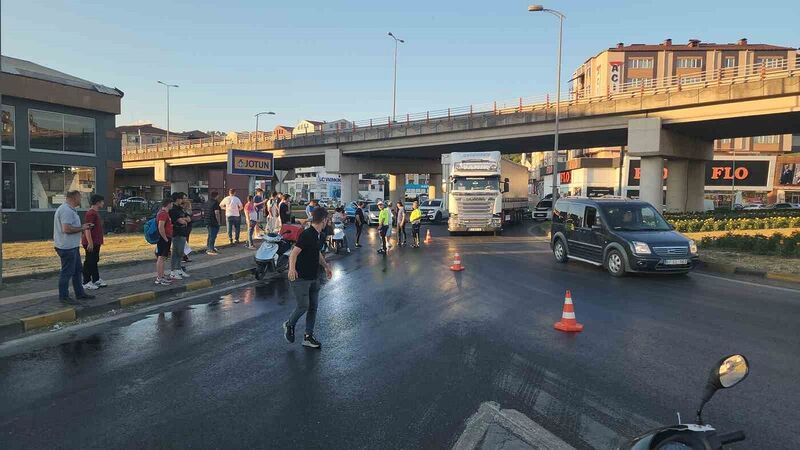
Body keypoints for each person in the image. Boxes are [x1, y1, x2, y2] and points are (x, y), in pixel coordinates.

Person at [282, 207, 333, 349]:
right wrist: (291, 269)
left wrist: (326, 266)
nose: (327, 222)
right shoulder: (307, 234)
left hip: (314, 277)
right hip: (301, 278)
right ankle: (289, 324)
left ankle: (308, 337)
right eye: (327, 220)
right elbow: (294, 253)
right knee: (303, 305)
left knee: (313, 307)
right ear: (323, 220)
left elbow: (317, 254)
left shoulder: (319, 235)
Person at [53, 190, 95, 304]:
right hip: (67, 247)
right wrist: (82, 228)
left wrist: (83, 227)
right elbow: (66, 229)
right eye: (79, 198)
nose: (80, 200)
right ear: (74, 198)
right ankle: (64, 297)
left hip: (72, 246)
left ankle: (80, 293)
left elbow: (71, 227)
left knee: (77, 271)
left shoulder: (70, 210)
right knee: (67, 272)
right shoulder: (66, 210)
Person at [82, 194, 106, 290]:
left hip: (96, 242)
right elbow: (87, 229)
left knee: (94, 260)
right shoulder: (91, 213)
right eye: (102, 201)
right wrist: (90, 242)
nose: (103, 203)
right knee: (89, 261)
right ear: (97, 202)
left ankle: (96, 279)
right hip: (91, 242)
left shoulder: (95, 213)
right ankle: (86, 281)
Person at [169, 192, 192, 280]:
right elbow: (179, 221)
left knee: (180, 252)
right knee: (175, 252)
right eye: (181, 198)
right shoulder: (173, 209)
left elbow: (188, 218)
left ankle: (178, 268)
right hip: (177, 232)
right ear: (177, 199)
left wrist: (184, 219)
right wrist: (184, 220)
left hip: (183, 231)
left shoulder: (180, 209)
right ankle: (173, 270)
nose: (182, 200)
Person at [155, 197, 175, 285]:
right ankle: (159, 277)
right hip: (164, 238)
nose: (172, 205)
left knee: (163, 257)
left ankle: (161, 275)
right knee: (161, 257)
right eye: (171, 204)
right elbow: (160, 227)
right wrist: (165, 239)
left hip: (165, 237)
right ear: (168, 204)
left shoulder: (165, 213)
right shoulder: (163, 214)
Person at [182, 197, 194, 263]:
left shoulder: (186, 211)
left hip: (188, 227)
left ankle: (185, 256)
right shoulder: (185, 211)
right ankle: (184, 256)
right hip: (185, 228)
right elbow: (189, 219)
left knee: (185, 241)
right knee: (185, 242)